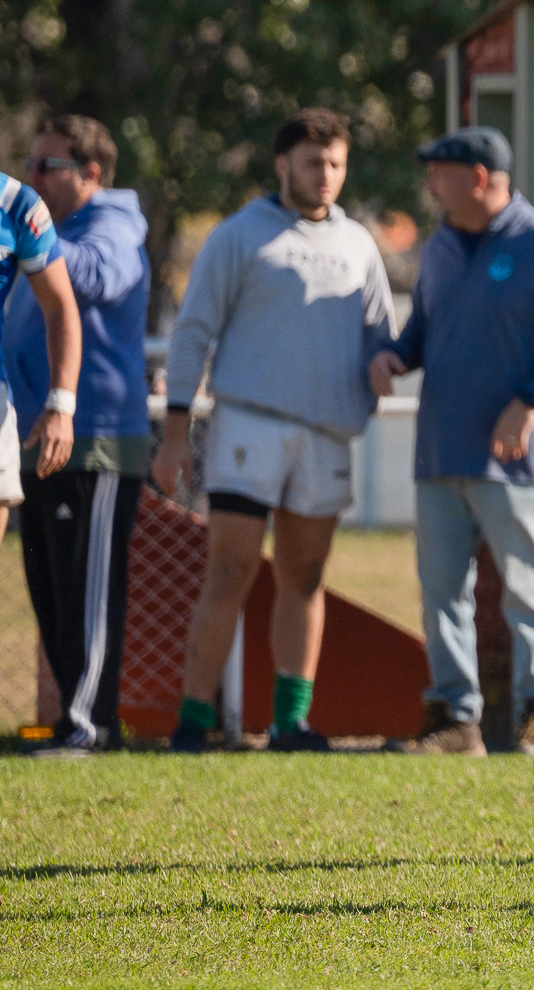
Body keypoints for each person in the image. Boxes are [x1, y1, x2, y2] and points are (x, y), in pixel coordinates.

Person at [157, 109, 396, 753]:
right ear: (282, 164)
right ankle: (194, 718)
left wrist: (382, 362)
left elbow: (380, 333)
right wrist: (176, 428)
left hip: (326, 435)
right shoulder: (241, 236)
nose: (326, 176)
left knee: (307, 574)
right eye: (314, 162)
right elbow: (194, 331)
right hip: (248, 425)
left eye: (337, 164)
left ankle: (291, 721)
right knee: (230, 568)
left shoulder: (358, 245)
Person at [370, 126, 534, 757]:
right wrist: (392, 356)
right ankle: (456, 721)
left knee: (530, 587)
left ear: (478, 178)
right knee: (442, 591)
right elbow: (421, 329)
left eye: (438, 173)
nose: (429, 186)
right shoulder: (441, 247)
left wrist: (531, 399)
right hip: (439, 450)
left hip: (514, 461)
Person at [7, 116, 146, 755]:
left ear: (91, 173)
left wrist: (29, 237)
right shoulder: (45, 226)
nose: (33, 178)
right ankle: (70, 718)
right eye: (29, 165)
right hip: (34, 435)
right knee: (50, 589)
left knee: (88, 590)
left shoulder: (115, 224)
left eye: (47, 167)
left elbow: (89, 279)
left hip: (95, 435)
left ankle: (92, 726)